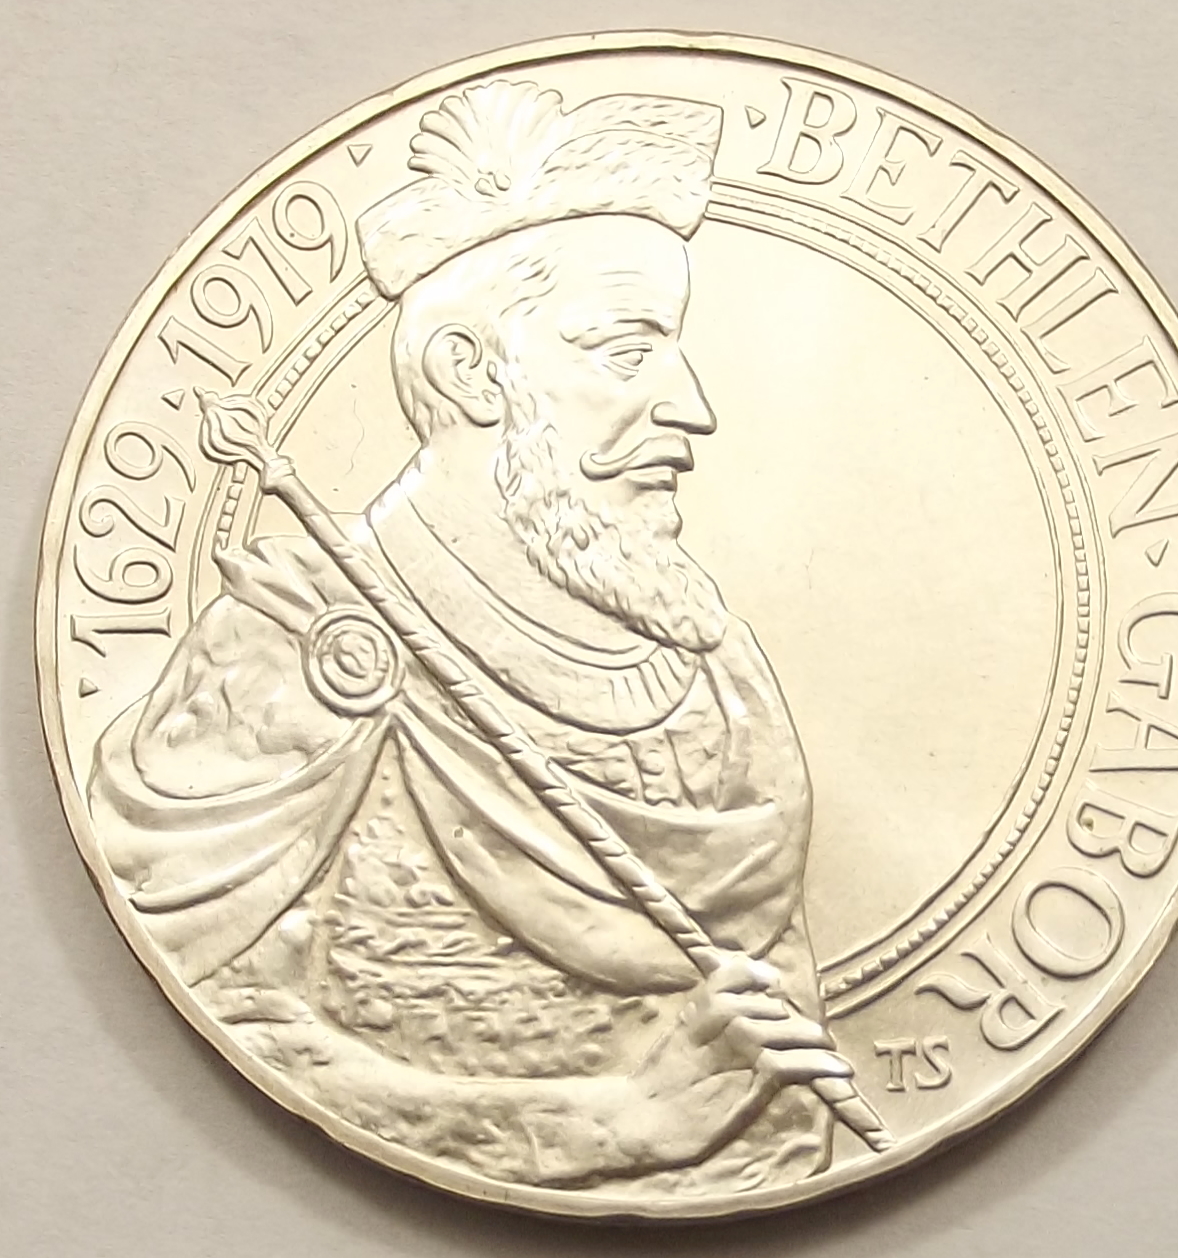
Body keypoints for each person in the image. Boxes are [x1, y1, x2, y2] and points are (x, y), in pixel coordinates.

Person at [89, 79, 847, 1197]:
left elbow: (777, 1119)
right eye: (625, 352)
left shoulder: (714, 681)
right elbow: (210, 1035)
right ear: (469, 372)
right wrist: (609, 1126)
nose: (691, 406)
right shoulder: (301, 647)